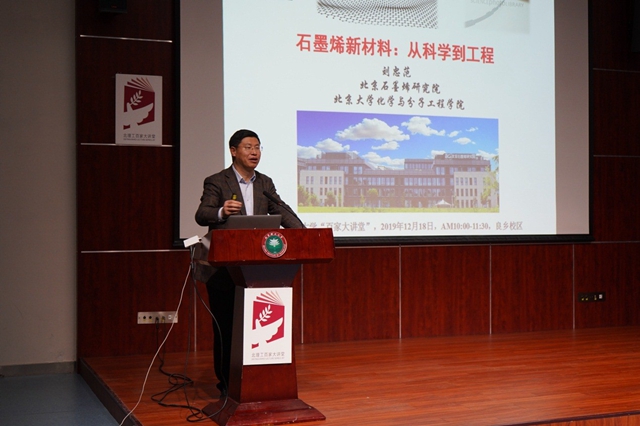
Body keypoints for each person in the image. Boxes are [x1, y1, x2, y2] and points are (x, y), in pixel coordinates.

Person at [195, 129, 303, 395]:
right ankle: (226, 382)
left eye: (257, 147)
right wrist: (221, 211)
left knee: (257, 327)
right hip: (225, 269)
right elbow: (202, 214)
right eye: (248, 147)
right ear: (233, 151)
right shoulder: (216, 181)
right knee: (226, 326)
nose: (254, 152)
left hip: (258, 269)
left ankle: (258, 380)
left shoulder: (264, 183)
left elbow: (281, 211)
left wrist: (303, 233)